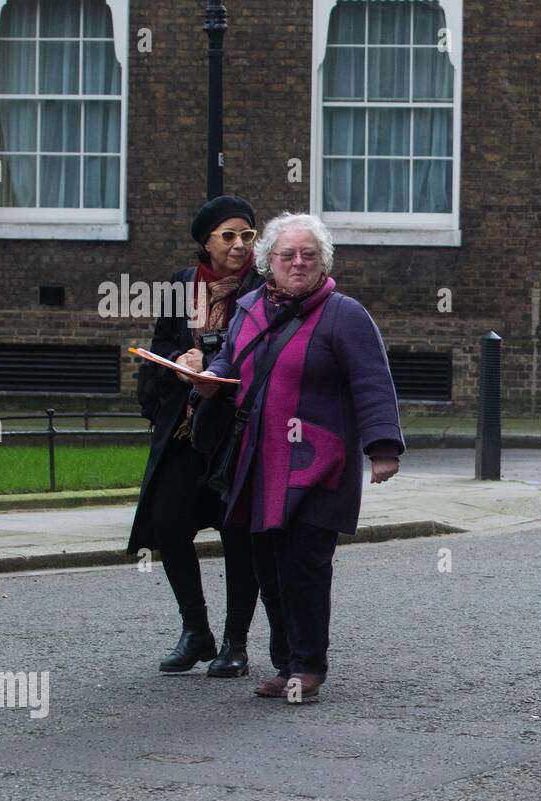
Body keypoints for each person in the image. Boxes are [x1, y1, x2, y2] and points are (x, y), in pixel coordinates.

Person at [195, 213, 405, 701]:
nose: (297, 263)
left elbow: (372, 381)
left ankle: (308, 667)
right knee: (267, 566)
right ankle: (285, 661)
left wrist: (382, 449)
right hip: (258, 465)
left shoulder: (345, 314)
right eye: (287, 255)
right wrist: (209, 374)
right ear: (268, 262)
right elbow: (232, 360)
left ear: (322, 262)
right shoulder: (247, 307)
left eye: (308, 256)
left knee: (304, 565)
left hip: (317, 466)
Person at [129, 195, 265, 677]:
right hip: (187, 429)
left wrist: (222, 367)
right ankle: (195, 631)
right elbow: (162, 340)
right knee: (167, 524)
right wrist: (181, 364)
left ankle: (236, 643)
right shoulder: (182, 284)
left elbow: (268, 353)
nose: (238, 245)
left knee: (238, 534)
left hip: (238, 432)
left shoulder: (263, 286)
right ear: (205, 241)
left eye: (246, 235)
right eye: (227, 236)